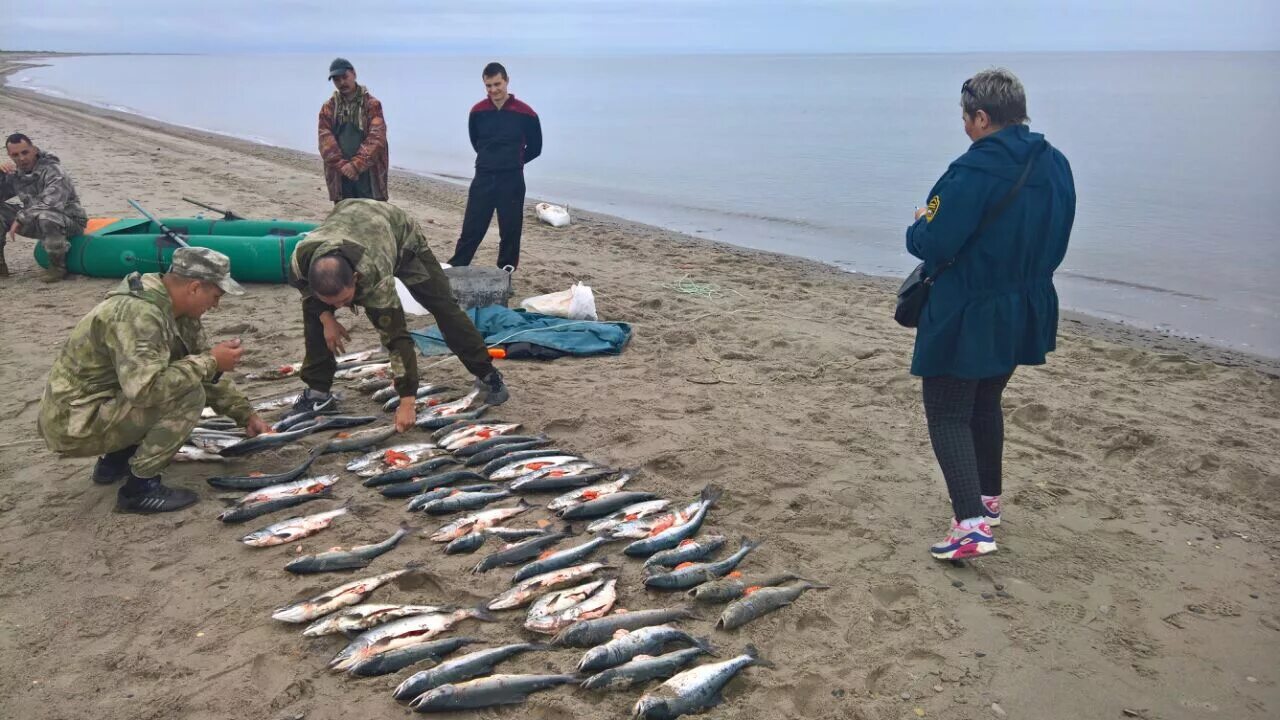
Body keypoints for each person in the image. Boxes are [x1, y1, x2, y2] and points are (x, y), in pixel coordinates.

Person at [905, 68, 1076, 560]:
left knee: (947, 409)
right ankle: (987, 499)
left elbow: (934, 241)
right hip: (1026, 303)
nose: (963, 126)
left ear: (982, 117)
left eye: (965, 116)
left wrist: (917, 225)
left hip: (970, 308)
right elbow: (1059, 232)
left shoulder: (973, 170)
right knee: (984, 401)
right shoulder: (1056, 163)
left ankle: (972, 526)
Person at [37, 247, 270, 513]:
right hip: (72, 422)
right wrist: (211, 361)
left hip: (101, 407)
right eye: (215, 296)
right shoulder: (138, 315)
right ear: (194, 288)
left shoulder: (179, 314)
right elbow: (147, 391)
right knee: (187, 395)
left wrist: (245, 414)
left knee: (185, 378)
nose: (216, 305)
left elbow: (201, 371)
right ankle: (139, 489)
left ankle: (115, 463)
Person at [288, 199, 509, 431]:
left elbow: (396, 339)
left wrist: (407, 400)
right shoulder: (301, 259)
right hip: (351, 219)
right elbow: (307, 293)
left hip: (402, 240)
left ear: (355, 278)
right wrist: (326, 317)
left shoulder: (374, 275)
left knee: (444, 307)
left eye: (346, 300)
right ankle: (318, 393)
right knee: (314, 317)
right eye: (335, 304)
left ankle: (488, 375)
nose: (343, 307)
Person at [448, 62, 542, 271]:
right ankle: (457, 268)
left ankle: (505, 272)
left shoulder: (526, 113)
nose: (493, 90)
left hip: (512, 179)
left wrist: (513, 162)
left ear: (506, 81)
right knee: (472, 228)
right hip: (483, 176)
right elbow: (476, 142)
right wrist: (491, 161)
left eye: (497, 84)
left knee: (510, 230)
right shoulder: (477, 111)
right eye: (488, 85)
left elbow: (536, 148)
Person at [1, 133, 88, 281]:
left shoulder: (54, 171)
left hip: (69, 221)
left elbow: (51, 204)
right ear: (9, 155)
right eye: (15, 155)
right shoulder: (16, 174)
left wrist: (21, 218)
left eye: (25, 152)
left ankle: (58, 267)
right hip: (35, 219)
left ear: (34, 150)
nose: (21, 158)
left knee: (46, 216)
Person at [318, 57, 389, 203]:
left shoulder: (372, 105)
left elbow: (377, 138)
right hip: (340, 174)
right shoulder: (329, 108)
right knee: (344, 216)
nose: (342, 83)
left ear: (354, 74)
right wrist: (343, 165)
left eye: (345, 77)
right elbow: (325, 140)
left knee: (371, 217)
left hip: (369, 174)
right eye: (337, 80)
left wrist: (356, 165)